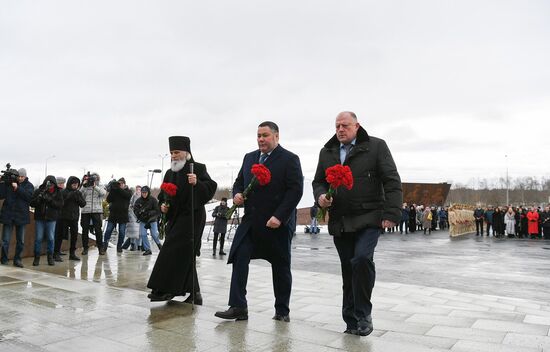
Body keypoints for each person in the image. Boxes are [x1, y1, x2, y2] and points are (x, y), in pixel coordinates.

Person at [312, 111, 402, 336]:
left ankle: (364, 314)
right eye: (337, 126)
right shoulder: (327, 151)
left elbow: (392, 180)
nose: (340, 130)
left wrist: (391, 212)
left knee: (362, 259)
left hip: (369, 216)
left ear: (357, 126)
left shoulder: (376, 146)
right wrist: (321, 197)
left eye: (345, 125)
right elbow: (318, 181)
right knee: (348, 269)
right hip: (341, 219)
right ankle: (350, 319)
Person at [215, 121, 303, 322]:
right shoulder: (250, 158)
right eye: (258, 135)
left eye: (265, 135)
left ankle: (282, 310)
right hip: (251, 222)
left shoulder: (289, 159)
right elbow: (239, 182)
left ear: (276, 136)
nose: (261, 139)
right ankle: (238, 306)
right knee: (239, 256)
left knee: (280, 266)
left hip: (276, 224)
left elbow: (295, 191)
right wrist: (237, 194)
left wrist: (279, 216)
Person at [147, 136, 217, 304]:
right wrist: (163, 205)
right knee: (185, 254)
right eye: (171, 153)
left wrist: (197, 183)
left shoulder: (198, 168)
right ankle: (195, 294)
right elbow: (164, 194)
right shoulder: (170, 173)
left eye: (176, 152)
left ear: (186, 152)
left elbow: (210, 188)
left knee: (172, 249)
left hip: (193, 216)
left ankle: (165, 290)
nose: (173, 156)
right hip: (175, 216)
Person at [0, 168, 34, 268]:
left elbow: (29, 198)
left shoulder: (29, 185)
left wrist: (18, 188)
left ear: (25, 176)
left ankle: (17, 260)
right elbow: (1, 195)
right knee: (5, 240)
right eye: (19, 176)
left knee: (21, 241)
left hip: (21, 216)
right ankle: (4, 259)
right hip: (9, 215)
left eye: (22, 177)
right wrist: (2, 182)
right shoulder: (9, 183)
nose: (20, 178)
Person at [30, 175, 64, 266]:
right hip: (40, 218)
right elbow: (32, 203)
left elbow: (60, 205)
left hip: (51, 218)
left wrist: (50, 200)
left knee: (51, 238)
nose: (50, 186)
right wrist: (39, 199)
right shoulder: (39, 191)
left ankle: (50, 257)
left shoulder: (58, 192)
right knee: (38, 238)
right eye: (48, 183)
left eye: (52, 184)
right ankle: (36, 257)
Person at [54, 176, 86, 261]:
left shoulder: (78, 193)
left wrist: (78, 197)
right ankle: (56, 253)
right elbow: (60, 203)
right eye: (74, 184)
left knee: (74, 236)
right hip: (63, 217)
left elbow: (83, 204)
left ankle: (72, 253)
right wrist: (70, 196)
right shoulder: (63, 192)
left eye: (77, 185)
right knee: (59, 235)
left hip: (74, 218)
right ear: (70, 184)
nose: (75, 186)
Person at [103, 177, 132, 253]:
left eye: (122, 184)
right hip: (113, 214)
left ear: (125, 184)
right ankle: (105, 244)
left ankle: (119, 246)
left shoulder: (128, 191)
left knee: (122, 232)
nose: (120, 185)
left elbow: (127, 196)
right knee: (108, 230)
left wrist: (118, 188)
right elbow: (108, 200)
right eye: (119, 184)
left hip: (123, 215)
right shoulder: (114, 191)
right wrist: (112, 190)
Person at [79, 172, 106, 255]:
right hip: (85, 211)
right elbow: (79, 195)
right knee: (85, 230)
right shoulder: (85, 186)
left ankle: (100, 248)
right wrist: (84, 186)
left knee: (98, 230)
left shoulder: (100, 186)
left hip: (97, 211)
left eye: (95, 179)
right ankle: (85, 248)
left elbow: (104, 193)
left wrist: (95, 186)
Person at [134, 186, 161, 255]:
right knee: (143, 234)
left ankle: (159, 245)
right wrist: (139, 213)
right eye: (143, 193)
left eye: (145, 193)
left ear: (148, 192)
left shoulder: (153, 200)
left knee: (154, 234)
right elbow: (135, 210)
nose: (144, 194)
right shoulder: (138, 201)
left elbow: (157, 210)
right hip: (143, 220)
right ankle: (147, 249)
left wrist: (149, 213)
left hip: (152, 220)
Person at [122, 185, 141, 251]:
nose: (138, 191)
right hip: (133, 216)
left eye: (139, 189)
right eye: (137, 189)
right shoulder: (133, 196)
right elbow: (131, 204)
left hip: (139, 216)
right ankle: (134, 246)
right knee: (134, 232)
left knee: (139, 233)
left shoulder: (142, 196)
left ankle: (138, 246)